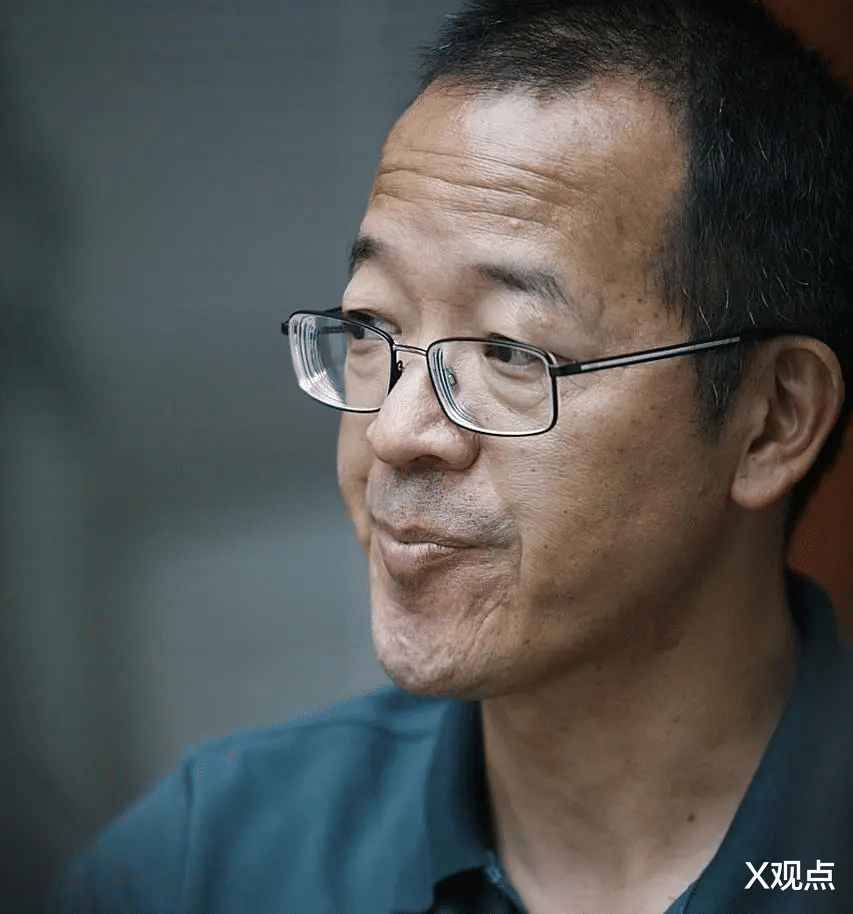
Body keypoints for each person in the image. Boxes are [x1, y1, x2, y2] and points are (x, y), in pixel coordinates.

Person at [49, 1, 853, 912]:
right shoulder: (207, 862)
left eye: (510, 352)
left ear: (771, 420)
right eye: (370, 326)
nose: (394, 432)